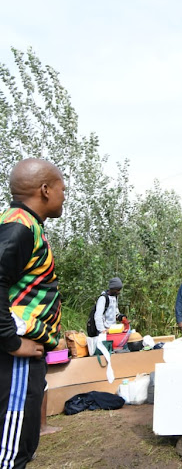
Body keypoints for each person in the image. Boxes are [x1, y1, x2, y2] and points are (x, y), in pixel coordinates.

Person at [0, 158, 65, 467]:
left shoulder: (28, 225)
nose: (64, 196)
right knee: (11, 451)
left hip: (27, 355)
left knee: (23, 443)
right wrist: (12, 342)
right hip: (16, 359)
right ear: (45, 190)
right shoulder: (18, 226)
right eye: (62, 189)